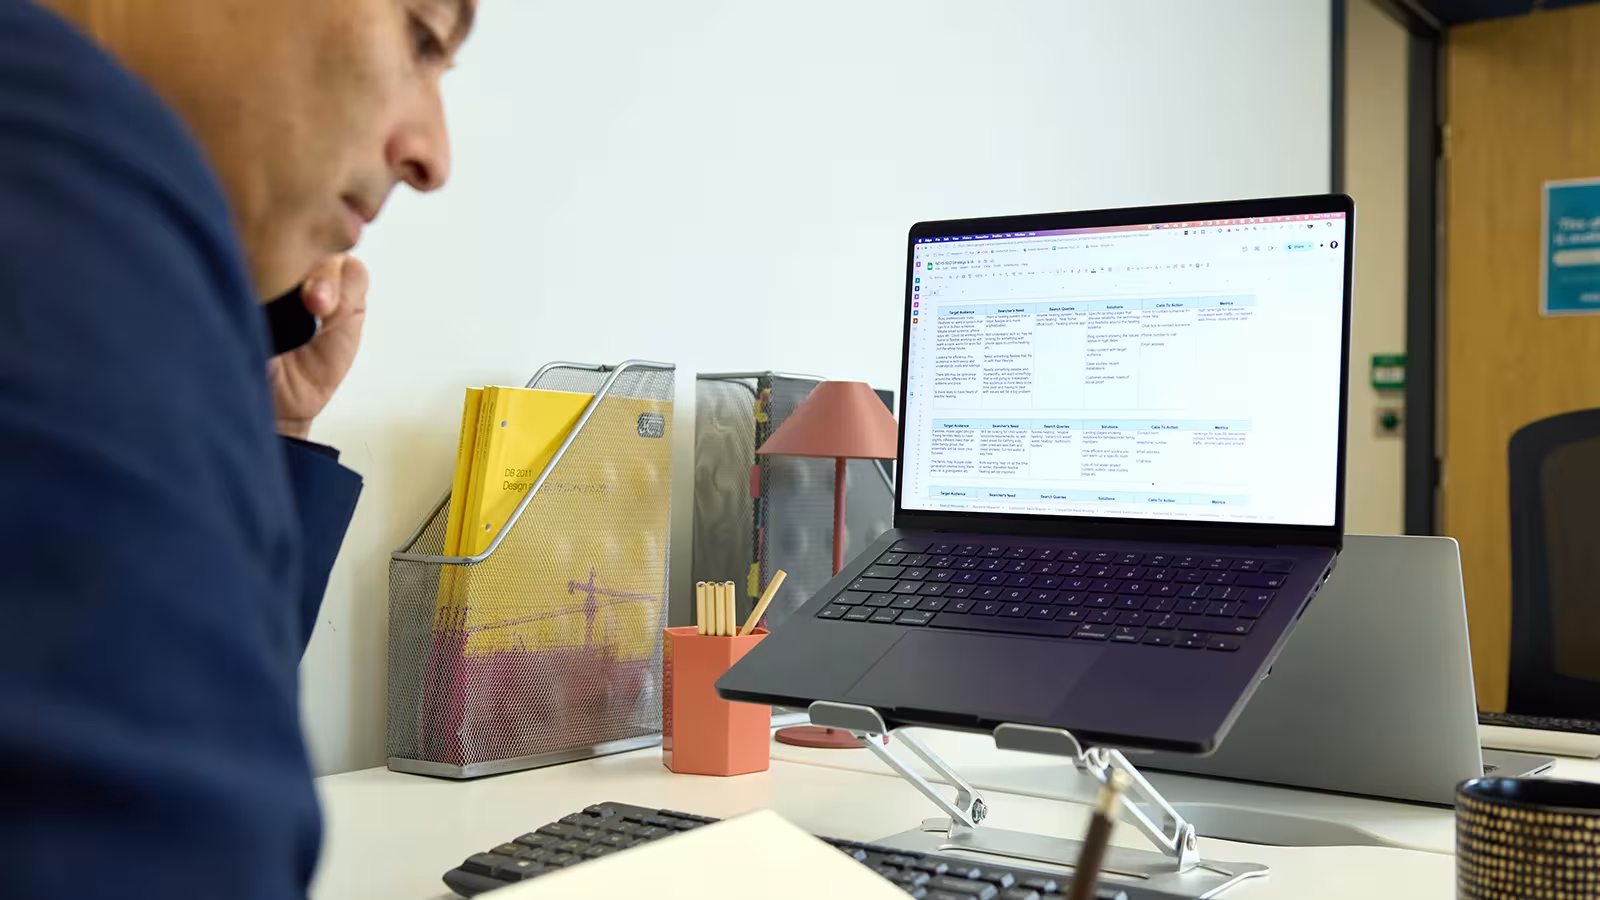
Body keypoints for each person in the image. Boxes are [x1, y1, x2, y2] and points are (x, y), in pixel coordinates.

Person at [0, 0, 476, 895]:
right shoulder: (51, 163)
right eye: (420, 35)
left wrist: (268, 430)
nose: (433, 155)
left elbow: (215, 709)